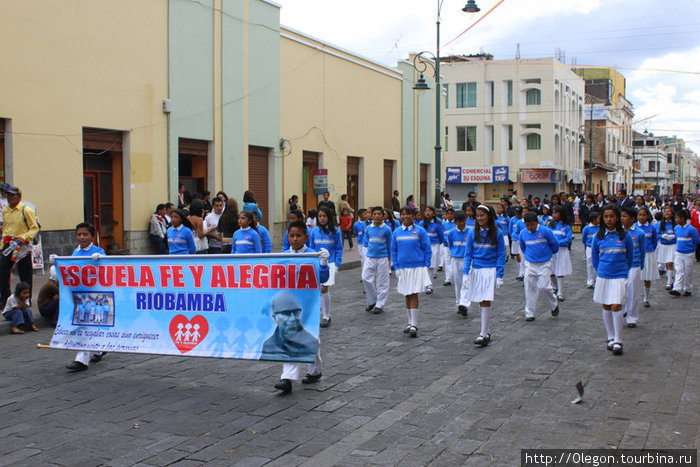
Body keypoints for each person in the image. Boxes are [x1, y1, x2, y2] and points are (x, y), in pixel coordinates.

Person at [271, 222, 330, 393]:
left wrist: (324, 263)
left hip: (308, 305)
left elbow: (323, 278)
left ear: (306, 237)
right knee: (289, 338)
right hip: (289, 306)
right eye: (291, 235)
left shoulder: (313, 255)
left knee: (312, 340)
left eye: (298, 236)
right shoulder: (282, 256)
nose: (295, 239)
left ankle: (315, 370)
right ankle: (287, 378)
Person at [591, 205, 634, 355]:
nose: (609, 219)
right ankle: (610, 336)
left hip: (619, 275)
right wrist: (600, 269)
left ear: (617, 218)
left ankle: (618, 339)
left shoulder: (625, 236)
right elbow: (595, 257)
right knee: (607, 305)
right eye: (606, 217)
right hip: (603, 274)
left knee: (617, 305)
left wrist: (623, 270)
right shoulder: (599, 236)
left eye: (612, 216)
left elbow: (630, 256)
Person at [66, 223, 108, 371]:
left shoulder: (98, 251)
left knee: (85, 325)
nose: (82, 237)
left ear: (91, 236)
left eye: (85, 234)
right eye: (79, 234)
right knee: (85, 325)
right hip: (78, 295)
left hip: (94, 296)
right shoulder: (75, 252)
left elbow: (107, 269)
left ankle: (81, 360)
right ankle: (99, 348)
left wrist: (101, 259)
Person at [463, 205, 505, 346]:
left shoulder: (497, 233)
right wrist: (465, 272)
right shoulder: (471, 233)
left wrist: (500, 275)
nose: (480, 218)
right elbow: (468, 254)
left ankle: (483, 333)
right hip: (477, 270)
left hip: (490, 269)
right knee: (481, 300)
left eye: (482, 215)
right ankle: (486, 331)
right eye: (478, 216)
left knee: (486, 299)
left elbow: (501, 254)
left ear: (489, 216)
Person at [391, 207, 431, 338]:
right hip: (403, 268)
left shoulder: (420, 231)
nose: (405, 216)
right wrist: (396, 267)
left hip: (417, 266)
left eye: (407, 214)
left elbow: (427, 248)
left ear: (413, 216)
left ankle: (414, 323)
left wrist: (426, 264)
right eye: (402, 214)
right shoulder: (396, 232)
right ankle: (409, 322)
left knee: (414, 293)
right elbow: (394, 250)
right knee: (406, 294)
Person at [0, 186, 39, 309]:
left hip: (22, 245)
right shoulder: (6, 210)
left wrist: (25, 237)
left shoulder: (25, 210)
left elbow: (34, 228)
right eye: (8, 195)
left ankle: (26, 299)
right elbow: (6, 229)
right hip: (9, 245)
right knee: (2, 271)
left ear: (19, 197)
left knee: (25, 274)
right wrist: (2, 244)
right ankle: (6, 299)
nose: (10, 198)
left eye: (13, 195)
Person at [518, 212, 560, 321]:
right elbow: (523, 247)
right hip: (530, 264)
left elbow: (554, 245)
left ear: (537, 222)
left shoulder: (546, 231)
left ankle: (554, 304)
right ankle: (530, 313)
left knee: (544, 287)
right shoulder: (523, 234)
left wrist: (549, 254)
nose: (530, 227)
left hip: (544, 263)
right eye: (527, 225)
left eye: (532, 224)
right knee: (529, 288)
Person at [309, 207, 343, 327]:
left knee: (324, 288)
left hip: (330, 263)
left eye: (324, 216)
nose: (322, 218)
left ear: (329, 217)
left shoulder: (336, 232)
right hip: (317, 263)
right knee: (317, 289)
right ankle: (316, 314)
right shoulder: (314, 231)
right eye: (320, 216)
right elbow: (311, 247)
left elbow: (339, 248)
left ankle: (326, 316)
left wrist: (337, 263)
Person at [362, 206, 392, 314]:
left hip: (382, 258)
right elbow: (365, 244)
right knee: (365, 278)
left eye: (379, 214)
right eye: (375, 214)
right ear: (372, 216)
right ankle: (372, 300)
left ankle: (380, 304)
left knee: (382, 282)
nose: (377, 216)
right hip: (370, 257)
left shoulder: (387, 229)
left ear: (383, 216)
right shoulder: (368, 228)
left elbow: (389, 245)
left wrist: (389, 260)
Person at [620, 208, 646, 327]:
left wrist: (641, 265)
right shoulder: (618, 232)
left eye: (625, 216)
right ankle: (623, 310)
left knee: (633, 291)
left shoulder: (639, 233)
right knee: (621, 290)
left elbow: (642, 250)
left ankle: (632, 317)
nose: (622, 218)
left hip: (635, 264)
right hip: (621, 265)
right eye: (621, 216)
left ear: (632, 218)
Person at [669, 209, 700, 297]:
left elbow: (696, 240)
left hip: (689, 254)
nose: (676, 220)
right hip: (678, 253)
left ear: (682, 219)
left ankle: (687, 288)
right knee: (679, 270)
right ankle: (677, 288)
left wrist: (691, 248)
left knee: (688, 272)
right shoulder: (676, 228)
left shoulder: (691, 229)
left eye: (677, 218)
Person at [446, 210, 470, 316]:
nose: (460, 224)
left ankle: (465, 303)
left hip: (466, 259)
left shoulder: (470, 232)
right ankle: (459, 303)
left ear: (465, 220)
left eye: (462, 221)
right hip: (455, 259)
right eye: (458, 221)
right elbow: (450, 245)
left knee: (466, 282)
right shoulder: (451, 233)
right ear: (455, 222)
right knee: (458, 282)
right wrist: (454, 253)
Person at [549, 206, 573, 302]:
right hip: (551, 251)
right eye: (553, 213)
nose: (554, 215)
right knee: (551, 271)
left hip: (561, 250)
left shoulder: (566, 226)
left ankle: (560, 293)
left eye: (556, 213)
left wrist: (558, 243)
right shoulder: (550, 225)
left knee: (560, 271)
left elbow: (568, 239)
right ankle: (555, 286)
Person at [635, 207, 658, 307]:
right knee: (634, 277)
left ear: (648, 216)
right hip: (636, 254)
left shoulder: (652, 228)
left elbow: (655, 241)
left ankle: (646, 298)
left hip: (648, 253)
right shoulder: (634, 227)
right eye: (640, 215)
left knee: (647, 277)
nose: (641, 217)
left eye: (644, 215)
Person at [422, 206, 444, 293]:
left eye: (429, 211)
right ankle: (424, 283)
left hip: (434, 246)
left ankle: (429, 285)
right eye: (426, 211)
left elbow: (441, 237)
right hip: (423, 247)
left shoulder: (437, 225)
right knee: (424, 266)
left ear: (434, 213)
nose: (427, 213)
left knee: (430, 266)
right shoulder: (421, 224)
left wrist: (437, 244)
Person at [656, 207, 677, 290]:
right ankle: (670, 279)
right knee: (666, 263)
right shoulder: (660, 224)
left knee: (670, 263)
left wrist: (673, 236)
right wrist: (662, 236)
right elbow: (657, 235)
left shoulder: (675, 224)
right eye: (665, 212)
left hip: (672, 245)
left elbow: (678, 233)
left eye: (668, 211)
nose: (667, 213)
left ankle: (669, 282)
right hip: (664, 245)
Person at [581, 209, 601, 289]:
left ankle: (597, 279)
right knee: (589, 264)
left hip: (598, 248)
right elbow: (584, 238)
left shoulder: (601, 228)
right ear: (594, 219)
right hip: (589, 247)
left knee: (598, 263)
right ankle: (590, 280)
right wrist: (587, 245)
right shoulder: (587, 228)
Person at [37, 262, 60, 326]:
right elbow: (62, 294)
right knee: (59, 302)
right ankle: (55, 321)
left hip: (45, 306)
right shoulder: (51, 285)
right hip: (44, 309)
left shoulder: (51, 283)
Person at [441, 208, 456, 286]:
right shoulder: (443, 224)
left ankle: (455, 277)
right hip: (446, 246)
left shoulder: (456, 224)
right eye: (448, 214)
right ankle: (448, 279)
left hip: (454, 246)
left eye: (452, 213)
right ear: (446, 215)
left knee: (455, 262)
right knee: (447, 262)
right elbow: (441, 235)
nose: (450, 215)